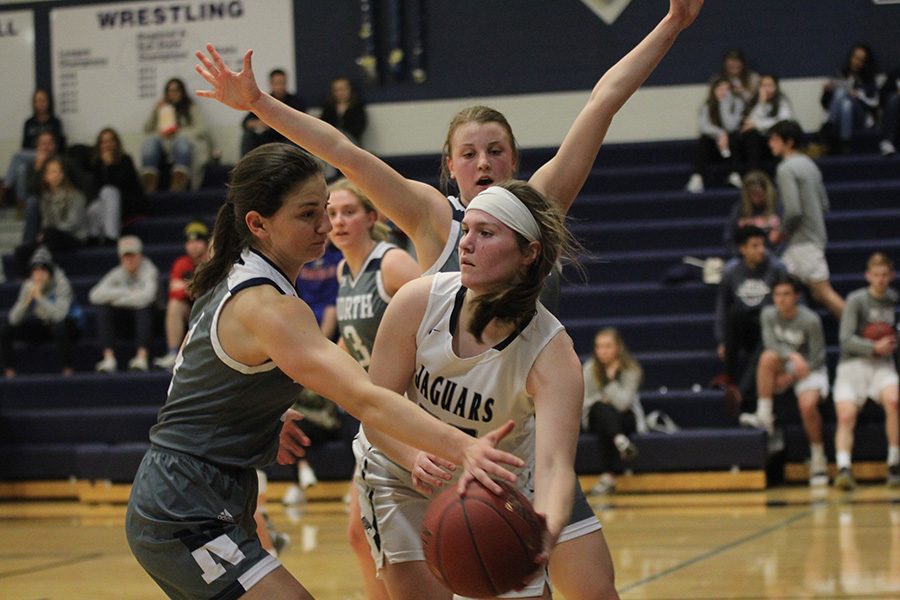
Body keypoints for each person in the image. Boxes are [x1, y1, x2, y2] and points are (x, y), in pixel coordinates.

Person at [124, 143, 524, 600]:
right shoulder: (268, 306)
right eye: (308, 215)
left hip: (205, 490)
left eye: (327, 210)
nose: (324, 226)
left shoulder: (244, 274)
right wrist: (465, 447)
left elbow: (207, 374)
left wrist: (263, 417)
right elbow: (366, 397)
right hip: (183, 503)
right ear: (258, 224)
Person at [193, 0, 704, 283]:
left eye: (495, 151)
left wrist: (674, 23)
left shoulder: (542, 203)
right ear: (450, 166)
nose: (483, 162)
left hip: (516, 413)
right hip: (440, 423)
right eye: (469, 153)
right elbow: (339, 150)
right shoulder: (431, 215)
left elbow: (602, 102)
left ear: (514, 162)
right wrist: (260, 103)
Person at [353, 181, 617, 600]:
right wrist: (413, 455)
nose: (466, 244)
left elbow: (553, 467)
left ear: (529, 253)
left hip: (495, 487)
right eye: (467, 230)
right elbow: (374, 410)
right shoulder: (418, 301)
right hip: (402, 469)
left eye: (486, 233)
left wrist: (545, 526)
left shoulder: (552, 353)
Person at [327, 177, 420, 600]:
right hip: (375, 418)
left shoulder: (392, 263)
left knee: (402, 539)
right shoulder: (345, 271)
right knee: (359, 536)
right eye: (330, 214)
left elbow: (441, 312)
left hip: (408, 413)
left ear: (372, 216)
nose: (338, 221)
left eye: (348, 211)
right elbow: (352, 339)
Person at [739, 275, 829, 486]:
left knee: (807, 406)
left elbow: (817, 358)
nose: (782, 299)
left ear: (796, 296)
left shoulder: (810, 320)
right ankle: (765, 415)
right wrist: (792, 356)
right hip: (789, 363)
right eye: (777, 295)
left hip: (811, 368)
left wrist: (790, 378)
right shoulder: (768, 314)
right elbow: (770, 344)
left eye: (787, 294)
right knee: (767, 357)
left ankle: (818, 458)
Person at [831, 252, 899, 491]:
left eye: (884, 275)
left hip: (882, 365)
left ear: (890, 276)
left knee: (894, 400)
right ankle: (843, 468)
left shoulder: (894, 301)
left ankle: (894, 463)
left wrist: (892, 342)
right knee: (846, 415)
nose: (880, 279)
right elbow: (845, 339)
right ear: (868, 276)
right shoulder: (856, 300)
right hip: (853, 365)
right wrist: (873, 346)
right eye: (876, 275)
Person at [768, 119, 844, 319]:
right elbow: (824, 205)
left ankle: (867, 339)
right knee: (792, 287)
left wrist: (780, 232)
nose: (771, 144)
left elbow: (793, 210)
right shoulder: (810, 165)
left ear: (789, 142)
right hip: (814, 236)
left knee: (823, 293)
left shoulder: (785, 169)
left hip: (801, 242)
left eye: (775, 140)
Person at [714, 225, 788, 413]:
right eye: (755, 246)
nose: (761, 250)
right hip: (745, 327)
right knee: (734, 313)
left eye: (762, 245)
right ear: (743, 249)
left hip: (771, 328)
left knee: (768, 323)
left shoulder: (777, 268)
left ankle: (742, 392)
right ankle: (728, 376)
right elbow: (722, 305)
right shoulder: (731, 272)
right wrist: (722, 340)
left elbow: (790, 298)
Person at [1, 246, 82, 378]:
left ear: (50, 273)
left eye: (42, 271)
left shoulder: (62, 284)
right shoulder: (28, 285)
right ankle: (9, 372)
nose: (38, 276)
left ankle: (68, 370)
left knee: (59, 328)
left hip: (69, 324)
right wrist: (25, 302)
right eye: (35, 272)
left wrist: (40, 298)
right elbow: (13, 319)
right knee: (5, 330)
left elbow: (59, 316)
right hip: (43, 323)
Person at [582, 327, 645, 496]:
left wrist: (609, 381)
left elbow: (624, 404)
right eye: (599, 346)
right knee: (600, 409)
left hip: (624, 418)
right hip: (594, 416)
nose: (602, 351)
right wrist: (603, 402)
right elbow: (584, 402)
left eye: (607, 346)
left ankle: (608, 476)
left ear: (618, 348)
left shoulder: (631, 370)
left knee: (609, 422)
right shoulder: (589, 369)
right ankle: (621, 442)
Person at [89, 235, 159, 373]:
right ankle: (109, 358)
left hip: (151, 320)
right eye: (126, 256)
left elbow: (147, 297)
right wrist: (128, 293)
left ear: (140, 255)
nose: (129, 260)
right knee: (103, 309)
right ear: (120, 258)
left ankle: (141, 357)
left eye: (132, 255)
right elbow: (94, 295)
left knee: (143, 307)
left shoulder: (150, 270)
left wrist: (114, 297)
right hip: (125, 321)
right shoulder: (116, 273)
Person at [14, 156, 87, 276]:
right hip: (51, 237)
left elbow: (73, 223)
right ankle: (30, 280)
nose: (54, 175)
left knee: (48, 235)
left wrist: (48, 232)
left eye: (57, 171)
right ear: (45, 177)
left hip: (74, 237)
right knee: (21, 250)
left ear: (63, 174)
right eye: (51, 172)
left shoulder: (76, 196)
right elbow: (46, 222)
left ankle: (47, 272)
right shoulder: (45, 198)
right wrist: (46, 233)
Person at [153, 221, 211, 371]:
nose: (193, 246)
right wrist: (199, 287)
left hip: (212, 304)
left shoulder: (213, 260)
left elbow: (217, 289)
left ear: (206, 242)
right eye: (189, 242)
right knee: (174, 305)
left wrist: (190, 287)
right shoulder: (181, 263)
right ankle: (173, 353)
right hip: (191, 305)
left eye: (198, 241)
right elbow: (174, 291)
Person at [140, 77, 211, 193]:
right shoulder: (162, 108)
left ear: (182, 92)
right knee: (149, 143)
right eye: (169, 91)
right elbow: (147, 129)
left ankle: (178, 182)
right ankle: (149, 183)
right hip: (163, 142)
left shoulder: (192, 107)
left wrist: (178, 132)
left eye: (176, 91)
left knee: (181, 142)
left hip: (183, 141)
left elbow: (202, 129)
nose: (172, 94)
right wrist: (155, 111)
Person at [1, 89, 65, 208]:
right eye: (37, 101)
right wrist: (37, 155)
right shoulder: (29, 123)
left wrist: (45, 151)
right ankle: (22, 203)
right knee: (21, 170)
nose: (40, 104)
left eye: (43, 100)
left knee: (16, 156)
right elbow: (25, 146)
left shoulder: (55, 122)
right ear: (33, 103)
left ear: (48, 102)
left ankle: (5, 187)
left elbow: (59, 144)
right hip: (33, 155)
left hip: (51, 154)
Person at [85, 127, 146, 244]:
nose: (107, 145)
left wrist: (110, 167)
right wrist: (104, 167)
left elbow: (120, 184)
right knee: (93, 208)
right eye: (103, 141)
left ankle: (111, 236)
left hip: (127, 202)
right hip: (106, 204)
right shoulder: (96, 165)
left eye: (110, 141)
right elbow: (96, 189)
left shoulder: (126, 160)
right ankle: (94, 237)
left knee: (109, 191)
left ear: (116, 143)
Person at [685, 77, 745, 193]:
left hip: (732, 147)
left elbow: (731, 126)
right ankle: (697, 177)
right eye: (720, 89)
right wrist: (721, 134)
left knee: (733, 137)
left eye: (727, 89)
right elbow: (704, 126)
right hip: (715, 145)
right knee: (704, 139)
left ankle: (735, 174)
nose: (723, 92)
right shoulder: (706, 105)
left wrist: (724, 105)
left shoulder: (737, 103)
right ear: (714, 90)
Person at [820, 44, 880, 155]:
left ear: (866, 62)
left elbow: (875, 104)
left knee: (843, 93)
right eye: (855, 58)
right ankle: (845, 142)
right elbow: (825, 104)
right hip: (841, 115)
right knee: (845, 103)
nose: (857, 62)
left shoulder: (869, 80)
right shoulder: (840, 74)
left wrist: (859, 96)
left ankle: (828, 125)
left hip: (859, 117)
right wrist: (827, 92)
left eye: (861, 60)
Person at [241, 68, 307, 156]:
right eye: (277, 83)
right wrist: (258, 123)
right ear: (271, 84)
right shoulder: (263, 101)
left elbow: (303, 123)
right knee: (248, 137)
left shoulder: (296, 101)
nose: (280, 86)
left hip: (288, 138)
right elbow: (246, 122)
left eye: (283, 83)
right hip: (267, 139)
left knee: (297, 141)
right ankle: (247, 166)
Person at [737, 74, 793, 175]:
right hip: (757, 144)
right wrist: (761, 103)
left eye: (770, 85)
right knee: (750, 134)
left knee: (778, 135)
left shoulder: (782, 101)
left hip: (774, 142)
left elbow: (783, 121)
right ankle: (753, 175)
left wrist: (758, 125)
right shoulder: (755, 102)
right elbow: (750, 122)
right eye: (763, 85)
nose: (766, 89)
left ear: (776, 87)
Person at [723, 170, 782, 256]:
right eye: (752, 194)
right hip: (746, 259)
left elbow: (787, 238)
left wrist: (771, 255)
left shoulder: (778, 207)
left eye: (759, 194)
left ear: (766, 192)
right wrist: (741, 254)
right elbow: (729, 238)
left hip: (774, 256)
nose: (756, 198)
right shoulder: (739, 209)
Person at [319, 76, 368, 146]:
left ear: (350, 89)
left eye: (343, 89)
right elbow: (324, 123)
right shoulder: (329, 107)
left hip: (351, 141)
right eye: (336, 90)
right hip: (330, 141)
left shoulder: (357, 107)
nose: (340, 93)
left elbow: (359, 126)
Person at [879, 60, 900, 156]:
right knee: (894, 98)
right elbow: (883, 96)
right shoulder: (896, 73)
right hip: (897, 112)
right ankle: (887, 142)